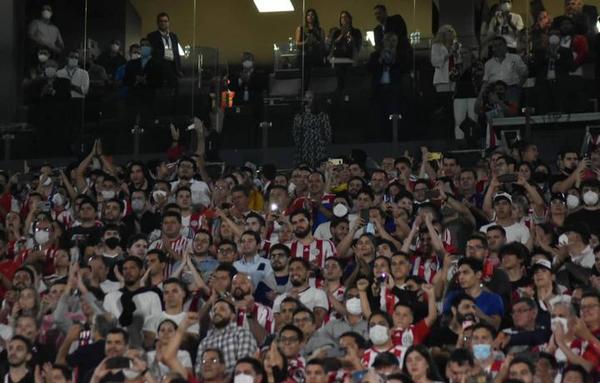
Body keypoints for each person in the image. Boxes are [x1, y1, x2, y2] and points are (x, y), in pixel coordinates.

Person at [195, 299, 258, 375]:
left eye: (222, 309)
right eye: (214, 310)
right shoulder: (205, 342)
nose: (217, 312)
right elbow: (198, 371)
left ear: (233, 316)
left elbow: (244, 366)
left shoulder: (242, 334)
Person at [292, 91, 331, 168]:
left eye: (310, 98)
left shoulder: (322, 115)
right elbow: (295, 133)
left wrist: (324, 141)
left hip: (318, 147)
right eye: (306, 97)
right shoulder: (299, 116)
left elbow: (327, 132)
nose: (307, 100)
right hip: (304, 148)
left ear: (314, 100)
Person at [147, 12, 181, 88]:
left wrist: (179, 69)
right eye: (161, 21)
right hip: (159, 68)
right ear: (158, 23)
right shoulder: (152, 36)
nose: (163, 23)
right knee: (160, 92)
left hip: (172, 68)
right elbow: (152, 53)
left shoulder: (173, 36)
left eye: (165, 21)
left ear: (168, 23)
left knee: (174, 91)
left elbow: (176, 53)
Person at [330, 11, 362, 93]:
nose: (343, 19)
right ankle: (341, 93)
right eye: (341, 17)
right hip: (339, 60)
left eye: (345, 17)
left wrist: (352, 40)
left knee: (349, 77)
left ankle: (346, 94)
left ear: (350, 19)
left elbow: (358, 46)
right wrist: (341, 35)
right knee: (340, 76)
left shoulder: (356, 32)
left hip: (351, 59)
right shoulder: (336, 32)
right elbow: (333, 45)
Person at [295, 9, 325, 90]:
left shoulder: (320, 30)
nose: (310, 17)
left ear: (315, 17)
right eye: (308, 15)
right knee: (305, 71)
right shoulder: (300, 29)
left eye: (312, 15)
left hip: (315, 56)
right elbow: (297, 44)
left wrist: (316, 43)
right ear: (306, 17)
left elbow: (322, 45)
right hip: (304, 56)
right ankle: (303, 91)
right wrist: (306, 42)